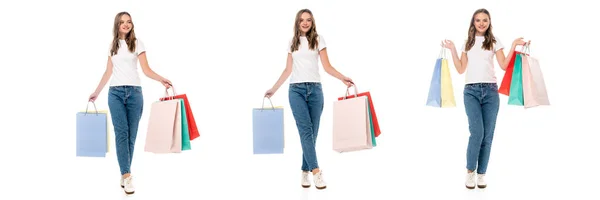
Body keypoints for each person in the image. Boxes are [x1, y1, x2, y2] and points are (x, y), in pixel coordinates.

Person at [264, 8, 353, 190]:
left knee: (313, 134)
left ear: (312, 23)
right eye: (302, 20)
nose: (305, 23)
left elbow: (327, 66)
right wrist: (274, 88)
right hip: (295, 91)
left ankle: (304, 170)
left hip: (315, 91)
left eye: (308, 20)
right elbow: (287, 70)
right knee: (306, 131)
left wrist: (342, 77)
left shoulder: (319, 40)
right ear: (297, 23)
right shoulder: (292, 42)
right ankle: (316, 172)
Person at [441, 8, 529, 189]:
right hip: (471, 92)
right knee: (477, 133)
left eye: (485, 20)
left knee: (487, 136)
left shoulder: (494, 42)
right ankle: (470, 172)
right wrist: (451, 50)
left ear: (489, 22)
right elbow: (460, 69)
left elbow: (504, 66)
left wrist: (513, 46)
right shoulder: (468, 42)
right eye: (478, 20)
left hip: (490, 92)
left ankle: (482, 174)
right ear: (473, 23)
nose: (481, 23)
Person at [88, 11, 172, 195]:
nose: (126, 24)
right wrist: (96, 92)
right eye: (122, 22)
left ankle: (124, 173)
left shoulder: (137, 43)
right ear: (117, 25)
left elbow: (146, 69)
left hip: (135, 94)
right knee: (122, 134)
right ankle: (126, 176)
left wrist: (161, 79)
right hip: (115, 93)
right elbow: (108, 72)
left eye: (129, 22)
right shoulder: (112, 45)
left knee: (132, 136)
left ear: (132, 24)